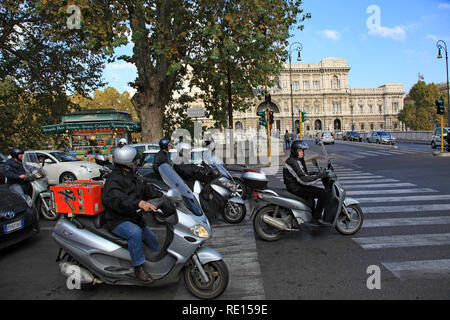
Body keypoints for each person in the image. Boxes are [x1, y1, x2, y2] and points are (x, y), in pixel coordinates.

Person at [102, 146, 163, 283]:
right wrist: (139, 204)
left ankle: (155, 264)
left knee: (152, 239)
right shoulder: (114, 180)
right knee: (135, 233)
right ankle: (139, 268)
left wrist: (164, 196)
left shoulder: (133, 175)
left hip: (133, 217)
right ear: (128, 162)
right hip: (117, 220)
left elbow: (146, 188)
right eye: (135, 160)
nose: (137, 162)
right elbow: (118, 199)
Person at [283, 140, 328, 224]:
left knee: (312, 199)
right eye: (300, 150)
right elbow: (303, 180)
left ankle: (312, 215)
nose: (302, 152)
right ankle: (316, 219)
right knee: (323, 193)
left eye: (303, 150)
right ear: (294, 151)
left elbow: (303, 174)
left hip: (297, 185)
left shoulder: (297, 160)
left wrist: (316, 173)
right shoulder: (292, 162)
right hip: (296, 188)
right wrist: (320, 177)